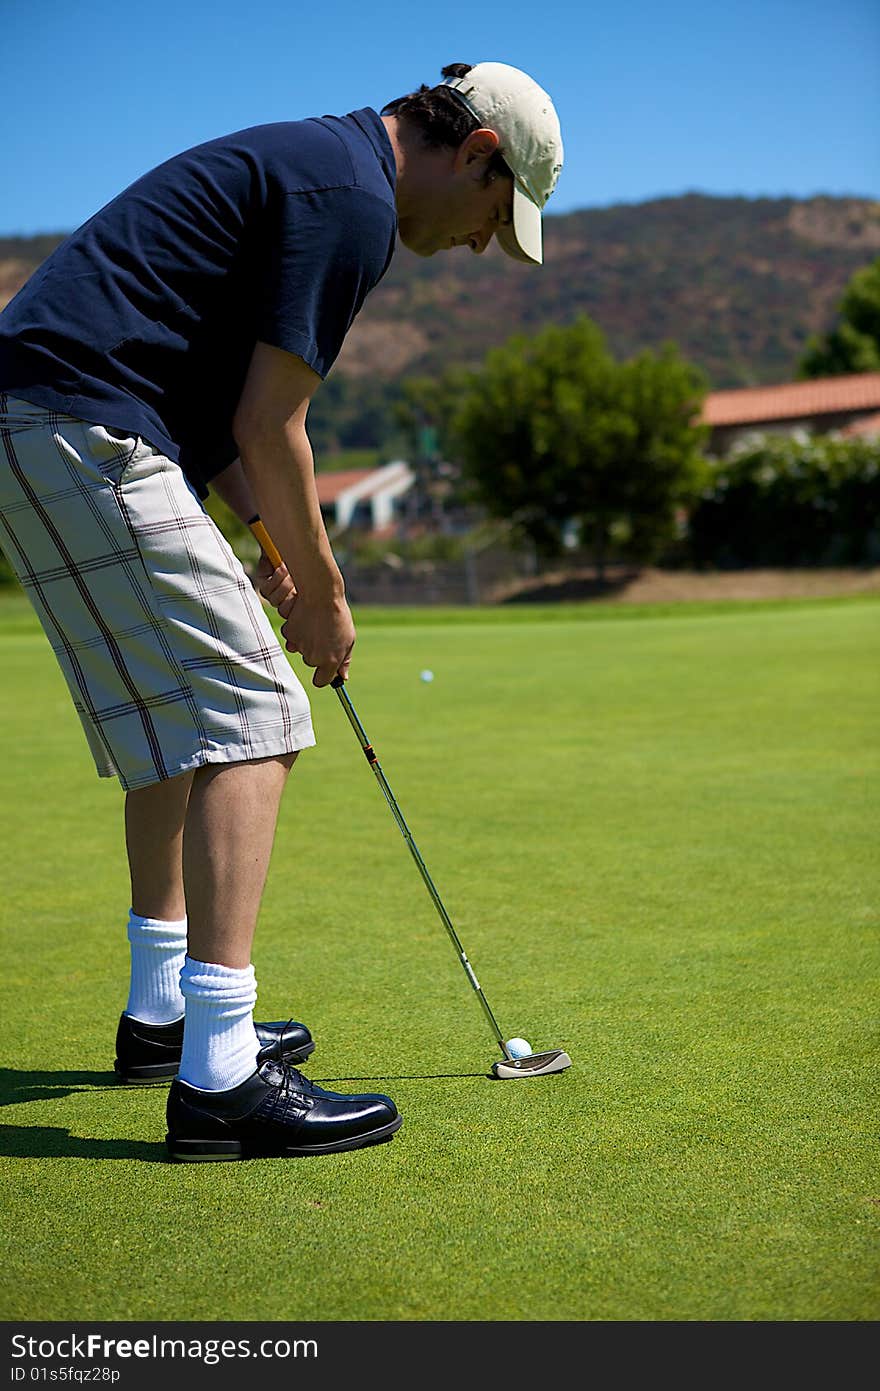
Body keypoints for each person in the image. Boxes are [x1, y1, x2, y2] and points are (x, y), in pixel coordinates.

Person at [0, 62, 563, 1161]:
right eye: (499, 216)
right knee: (254, 708)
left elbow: (214, 420)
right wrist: (329, 599)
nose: (484, 243)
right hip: (81, 425)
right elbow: (275, 425)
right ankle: (221, 1076)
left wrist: (278, 551)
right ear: (479, 155)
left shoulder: (315, 167)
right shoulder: (350, 202)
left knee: (175, 719)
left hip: (41, 422)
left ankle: (163, 1015)